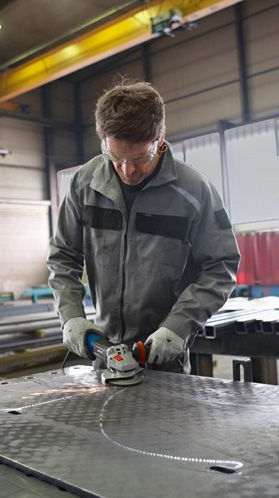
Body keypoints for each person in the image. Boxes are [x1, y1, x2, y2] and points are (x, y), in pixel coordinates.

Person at [47, 81, 239, 373]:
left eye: (139, 158)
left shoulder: (193, 192)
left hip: (165, 353)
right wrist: (71, 316)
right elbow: (63, 256)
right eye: (115, 157)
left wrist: (178, 327)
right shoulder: (84, 185)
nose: (127, 170)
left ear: (160, 139)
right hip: (105, 353)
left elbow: (220, 266)